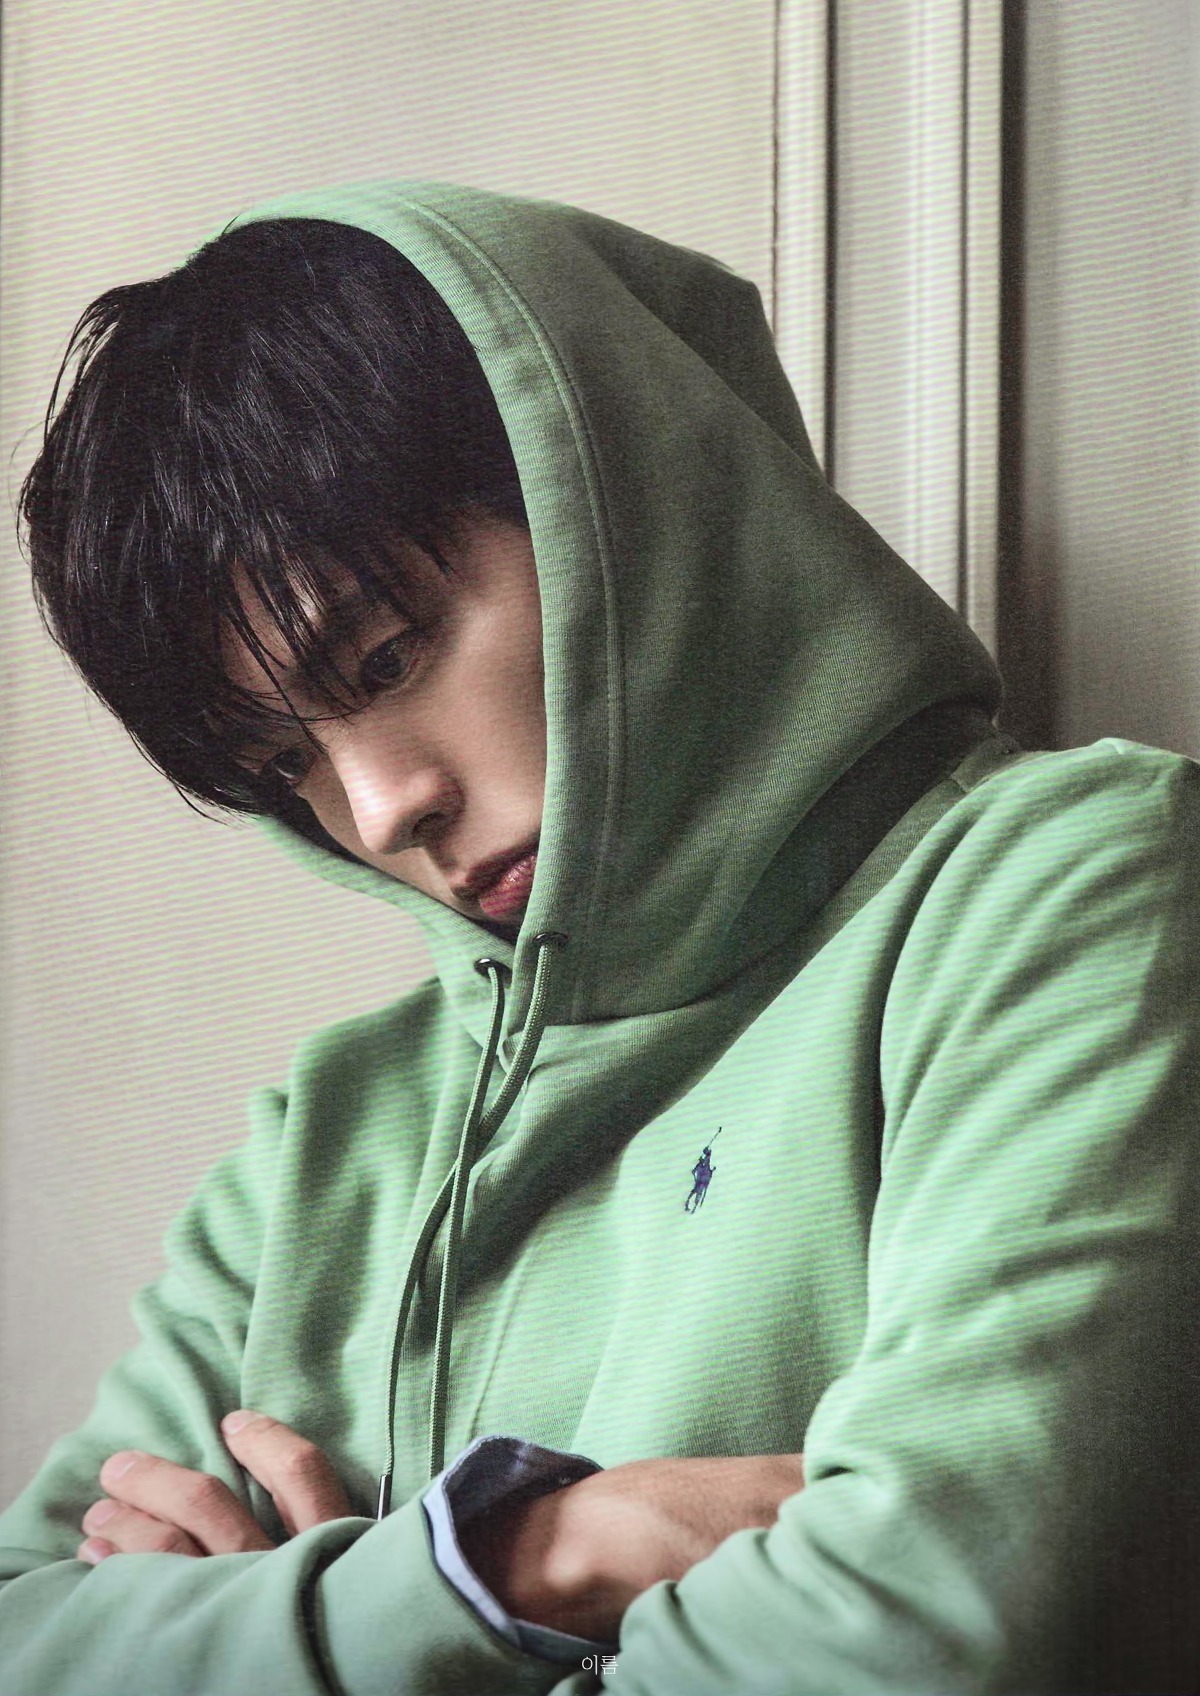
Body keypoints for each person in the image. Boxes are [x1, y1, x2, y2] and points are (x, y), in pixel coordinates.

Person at [3, 182, 1200, 1696]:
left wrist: (278, 1637)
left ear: (625, 503)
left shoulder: (1069, 887)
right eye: (284, 767)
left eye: (387, 654)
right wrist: (530, 1558)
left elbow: (914, 1638)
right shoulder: (332, 1135)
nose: (378, 807)